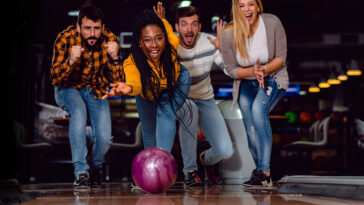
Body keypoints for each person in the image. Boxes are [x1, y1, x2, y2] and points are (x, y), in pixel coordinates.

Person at [50, 5, 123, 189]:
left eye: (97, 28)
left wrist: (115, 59)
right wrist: (71, 61)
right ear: (78, 27)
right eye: (87, 28)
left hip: (95, 89)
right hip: (67, 88)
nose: (92, 34)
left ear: (103, 27)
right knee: (79, 112)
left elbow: (119, 83)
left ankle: (95, 164)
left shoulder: (110, 40)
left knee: (105, 138)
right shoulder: (64, 38)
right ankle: (81, 172)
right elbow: (55, 78)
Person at [102, 2, 191, 153]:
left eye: (158, 38)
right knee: (149, 130)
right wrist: (129, 87)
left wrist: (162, 19)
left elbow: (168, 31)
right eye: (148, 40)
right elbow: (134, 81)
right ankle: (151, 161)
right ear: (140, 42)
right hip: (146, 92)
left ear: (164, 38)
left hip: (173, 85)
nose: (154, 45)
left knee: (165, 111)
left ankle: (162, 159)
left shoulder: (172, 43)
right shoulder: (132, 62)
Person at [220, 0, 289, 187]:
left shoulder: (272, 22)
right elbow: (232, 69)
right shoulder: (228, 33)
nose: (246, 9)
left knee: (259, 111)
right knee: (251, 132)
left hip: (272, 78)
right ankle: (261, 170)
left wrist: (263, 70)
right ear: (236, 8)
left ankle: (265, 173)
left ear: (258, 6)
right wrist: (252, 72)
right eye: (241, 5)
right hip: (246, 84)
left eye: (250, 4)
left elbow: (281, 57)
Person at [174, 6, 233, 185]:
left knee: (225, 151)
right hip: (179, 99)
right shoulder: (170, 44)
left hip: (205, 99)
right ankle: (190, 171)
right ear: (176, 27)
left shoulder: (210, 41)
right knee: (189, 110)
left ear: (199, 27)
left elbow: (230, 72)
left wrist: (224, 49)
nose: (189, 29)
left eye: (193, 24)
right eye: (184, 24)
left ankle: (204, 160)